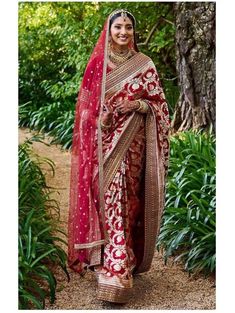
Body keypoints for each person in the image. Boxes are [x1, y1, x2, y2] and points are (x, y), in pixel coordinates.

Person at [68, 9, 170, 304]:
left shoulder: (145, 66)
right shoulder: (98, 65)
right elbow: (85, 108)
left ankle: (122, 260)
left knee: (129, 201)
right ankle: (111, 261)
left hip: (135, 147)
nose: (123, 32)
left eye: (128, 27)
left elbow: (161, 108)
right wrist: (99, 119)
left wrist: (139, 106)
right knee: (106, 195)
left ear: (133, 32)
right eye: (118, 27)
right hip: (105, 145)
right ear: (109, 31)